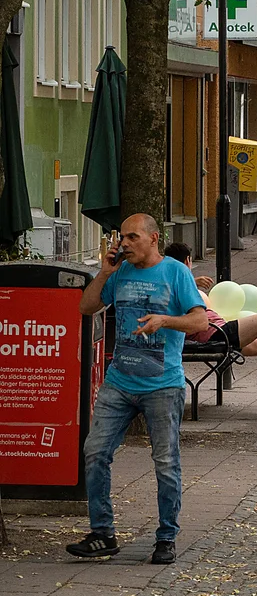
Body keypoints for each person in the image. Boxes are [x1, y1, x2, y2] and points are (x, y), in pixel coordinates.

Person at [66, 213, 207, 564]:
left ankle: (166, 537)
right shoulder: (121, 271)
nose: (124, 244)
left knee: (165, 461)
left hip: (162, 384)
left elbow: (200, 321)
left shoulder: (175, 272)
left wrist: (165, 320)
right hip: (119, 381)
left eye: (132, 237)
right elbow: (86, 307)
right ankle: (102, 533)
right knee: (95, 451)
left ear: (153, 238)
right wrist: (105, 271)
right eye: (122, 238)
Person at [165, 242, 257, 406]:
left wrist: (193, 281)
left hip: (217, 331)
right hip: (215, 334)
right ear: (187, 261)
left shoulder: (173, 282)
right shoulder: (177, 284)